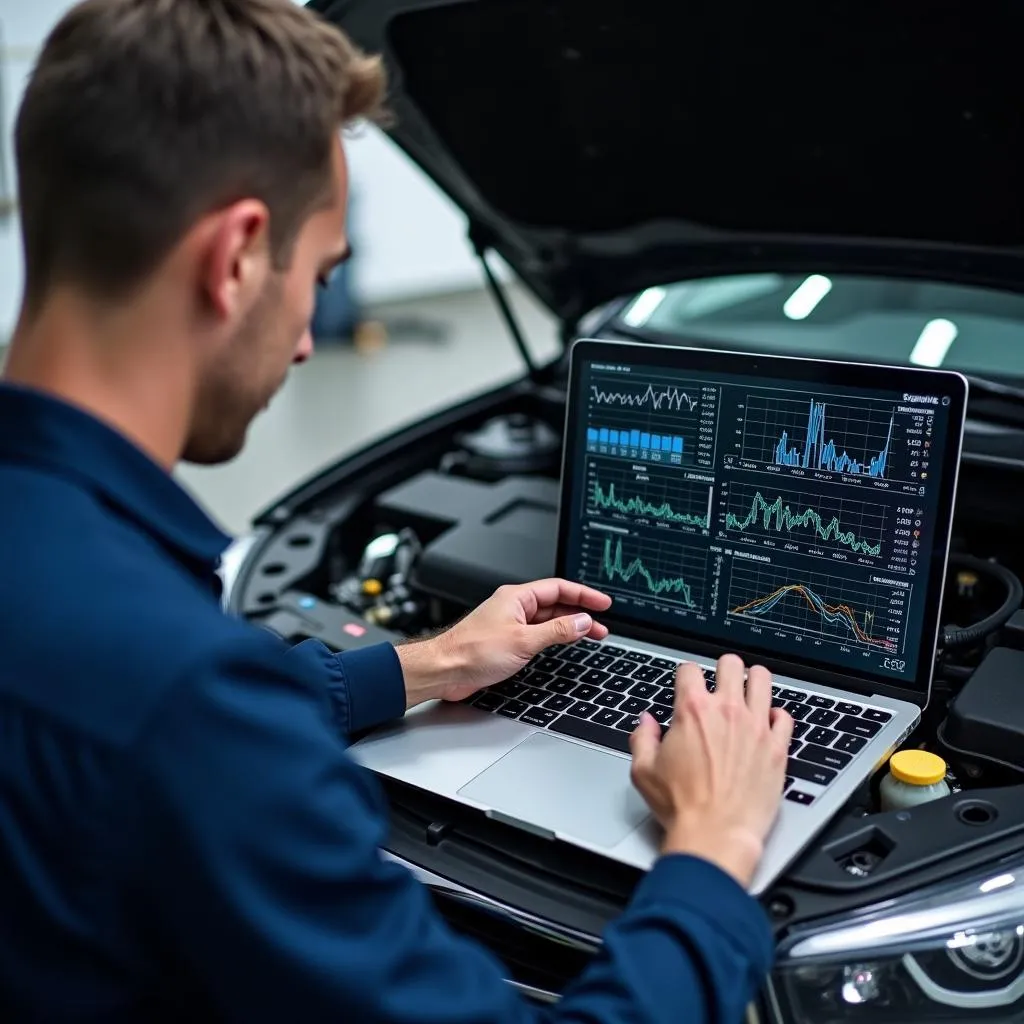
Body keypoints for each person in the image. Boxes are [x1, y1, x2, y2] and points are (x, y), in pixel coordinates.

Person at [0, 1, 793, 1020]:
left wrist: (422, 666)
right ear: (238, 256)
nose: (301, 342)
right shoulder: (185, 701)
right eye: (318, 277)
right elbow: (175, 721)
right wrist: (713, 853)